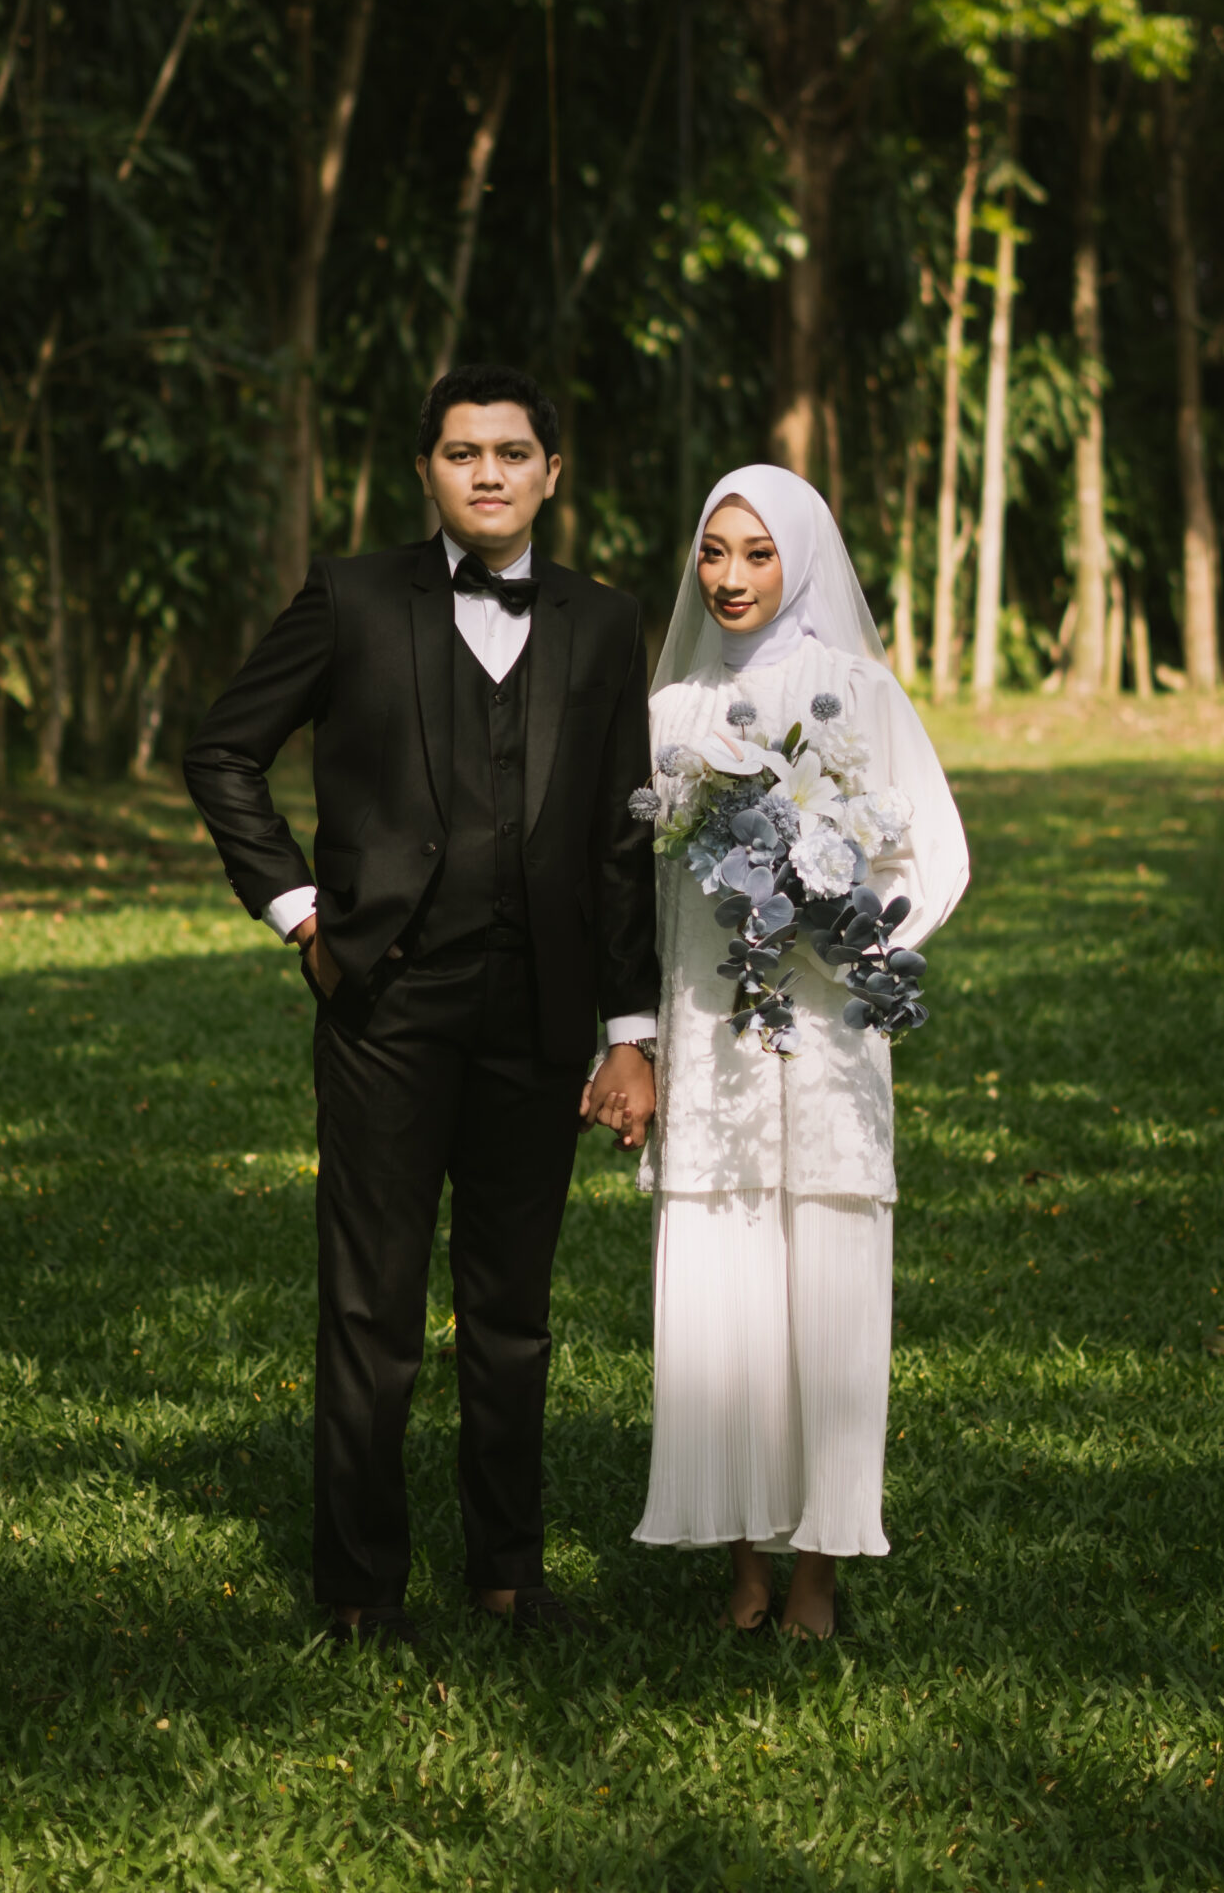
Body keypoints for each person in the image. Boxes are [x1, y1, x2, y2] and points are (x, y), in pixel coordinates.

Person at [183, 365, 659, 1651]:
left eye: (512, 452)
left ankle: (508, 1573)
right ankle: (361, 1587)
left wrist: (629, 1032)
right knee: (372, 1303)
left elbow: (622, 842)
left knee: (512, 1309)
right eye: (462, 452)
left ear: (551, 473)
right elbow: (222, 750)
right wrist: (303, 915)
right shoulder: (351, 596)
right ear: (425, 471)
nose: (487, 472)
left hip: (541, 1009)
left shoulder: (606, 622)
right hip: (385, 1002)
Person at [630, 464, 969, 1639]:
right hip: (712, 1032)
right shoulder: (672, 713)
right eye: (713, 551)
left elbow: (933, 853)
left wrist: (842, 935)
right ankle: (741, 1564)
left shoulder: (859, 692)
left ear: (803, 557)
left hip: (824, 1040)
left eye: (758, 553)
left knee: (825, 1288)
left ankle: (818, 1572)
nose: (730, 576)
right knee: (720, 1297)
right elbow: (645, 894)